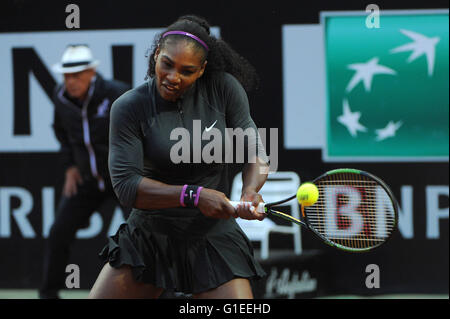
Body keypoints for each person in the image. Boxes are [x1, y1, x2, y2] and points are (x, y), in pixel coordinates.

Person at [88, 15, 270, 299]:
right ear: (156, 55)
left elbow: (256, 151)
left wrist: (250, 191)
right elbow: (126, 187)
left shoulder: (224, 88)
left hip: (212, 237)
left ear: (201, 70)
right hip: (150, 236)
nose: (173, 77)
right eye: (167, 64)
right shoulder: (129, 106)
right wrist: (195, 196)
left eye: (187, 71)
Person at [39, 45, 131, 299]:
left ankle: (166, 293)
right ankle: (48, 294)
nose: (71, 81)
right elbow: (63, 134)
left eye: (77, 74)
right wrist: (70, 166)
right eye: (67, 75)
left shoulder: (116, 93)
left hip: (121, 179)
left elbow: (139, 134)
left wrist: (135, 173)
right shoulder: (60, 98)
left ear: (92, 72)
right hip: (87, 181)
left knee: (143, 234)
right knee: (58, 232)